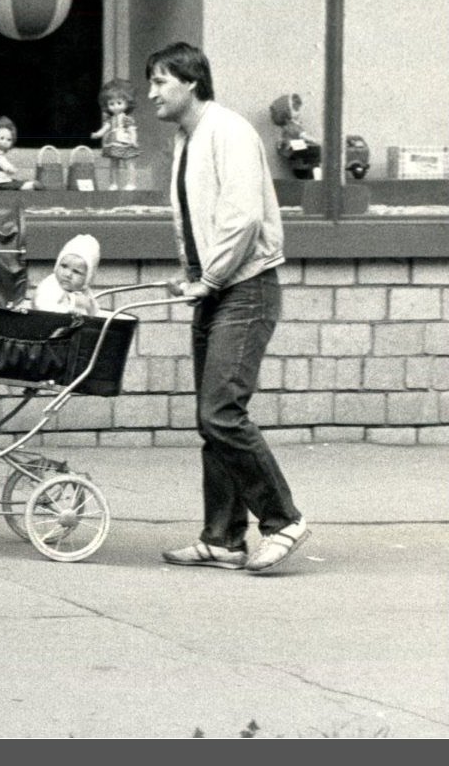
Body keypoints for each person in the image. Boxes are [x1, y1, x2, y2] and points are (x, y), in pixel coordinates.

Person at [145, 41, 308, 573]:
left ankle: (283, 520)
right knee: (210, 418)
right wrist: (193, 276)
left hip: (247, 289)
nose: (151, 94)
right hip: (217, 289)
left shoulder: (228, 130)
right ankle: (222, 538)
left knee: (221, 411)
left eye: (160, 82)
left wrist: (209, 276)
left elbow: (242, 219)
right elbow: (204, 219)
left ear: (191, 82)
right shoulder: (188, 138)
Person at [31, 233, 101, 316]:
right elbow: (43, 307)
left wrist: (89, 307)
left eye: (76, 272)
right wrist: (73, 303)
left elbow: (95, 314)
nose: (68, 274)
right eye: (64, 266)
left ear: (87, 278)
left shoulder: (84, 291)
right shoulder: (50, 286)